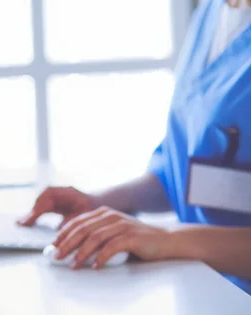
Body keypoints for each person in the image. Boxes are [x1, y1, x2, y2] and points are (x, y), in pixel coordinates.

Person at [19, 0, 251, 294]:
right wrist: (103, 202)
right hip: (207, 291)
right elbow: (186, 169)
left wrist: (169, 240)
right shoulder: (212, 10)